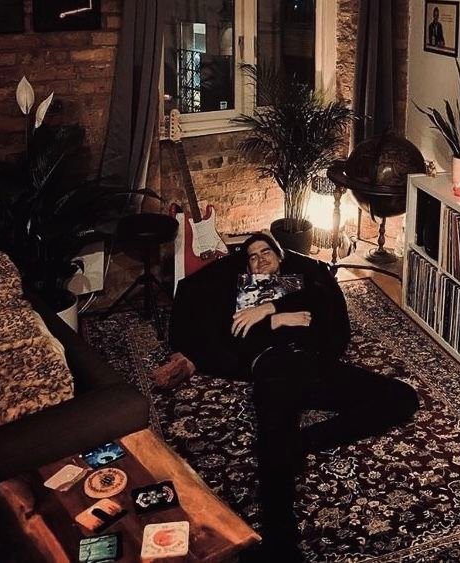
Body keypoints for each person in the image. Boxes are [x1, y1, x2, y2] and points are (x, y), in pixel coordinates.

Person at [170, 232, 419, 563]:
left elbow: (322, 308)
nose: (259, 259)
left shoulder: (301, 283)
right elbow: (235, 339)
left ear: (279, 256)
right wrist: (276, 319)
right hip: (273, 370)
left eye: (265, 252)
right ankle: (281, 544)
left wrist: (272, 308)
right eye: (252, 257)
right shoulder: (244, 293)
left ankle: (303, 442)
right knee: (273, 440)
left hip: (315, 366)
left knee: (403, 397)